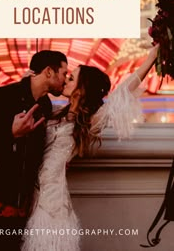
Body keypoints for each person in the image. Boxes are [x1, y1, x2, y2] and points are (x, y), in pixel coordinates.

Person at [21, 44, 159, 251]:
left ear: (81, 88)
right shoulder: (54, 112)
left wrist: (150, 59)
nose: (65, 79)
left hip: (52, 206)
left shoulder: (88, 121)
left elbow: (123, 92)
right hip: (28, 198)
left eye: (71, 77)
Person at [0, 50, 68, 251]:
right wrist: (11, 133)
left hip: (22, 199)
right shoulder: (2, 96)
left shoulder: (45, 105)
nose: (65, 79)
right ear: (48, 72)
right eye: (63, 73)